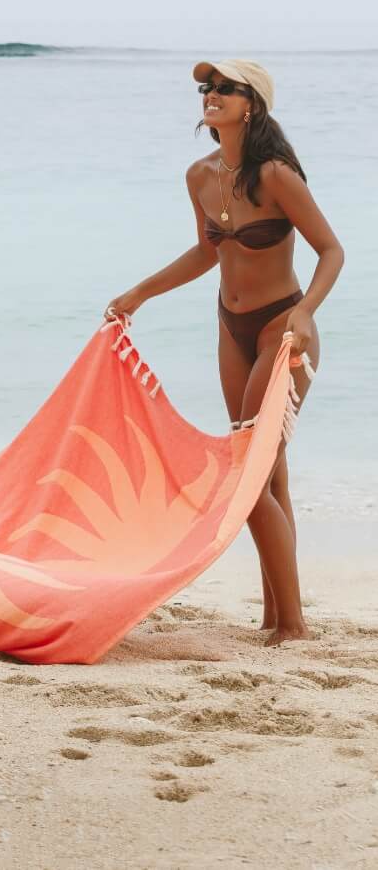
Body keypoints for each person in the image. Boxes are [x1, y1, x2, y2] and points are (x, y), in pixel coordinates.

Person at [106, 59, 342, 645]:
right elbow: (206, 253)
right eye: (206, 88)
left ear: (251, 104)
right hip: (231, 328)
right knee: (267, 473)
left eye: (225, 89)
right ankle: (274, 615)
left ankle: (293, 625)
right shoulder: (201, 175)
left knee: (249, 473)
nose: (211, 95)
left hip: (281, 330)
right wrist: (138, 294)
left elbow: (331, 250)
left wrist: (306, 313)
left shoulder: (277, 176)